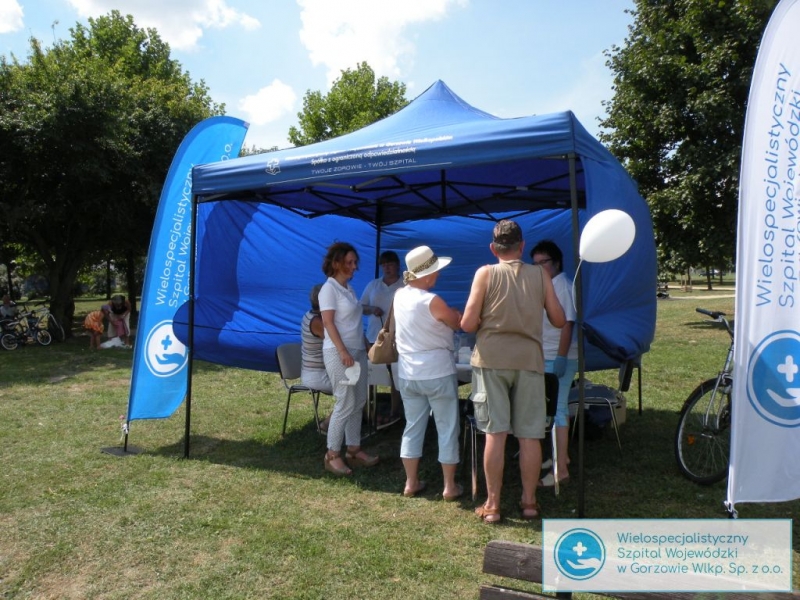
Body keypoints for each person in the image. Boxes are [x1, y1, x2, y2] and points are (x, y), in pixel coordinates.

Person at [461, 220, 565, 523]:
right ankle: (529, 502)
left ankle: (493, 505)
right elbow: (559, 319)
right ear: (521, 246)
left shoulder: (485, 273)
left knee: (495, 433)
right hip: (529, 361)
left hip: (491, 360)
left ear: (494, 248)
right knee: (530, 436)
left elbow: (467, 324)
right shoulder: (540, 274)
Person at [394, 245, 463, 500]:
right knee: (447, 427)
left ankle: (411, 482)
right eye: (434, 272)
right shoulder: (432, 301)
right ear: (426, 274)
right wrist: (455, 315)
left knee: (412, 427)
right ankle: (449, 486)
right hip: (437, 370)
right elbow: (456, 323)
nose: (437, 276)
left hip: (409, 372)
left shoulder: (399, 295)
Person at [319, 241, 379, 476]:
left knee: (359, 400)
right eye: (349, 263)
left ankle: (354, 449)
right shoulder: (329, 289)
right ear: (336, 264)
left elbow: (352, 322)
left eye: (355, 263)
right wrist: (343, 351)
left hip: (357, 352)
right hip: (338, 353)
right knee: (344, 402)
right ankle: (332, 454)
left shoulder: (349, 289)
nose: (354, 267)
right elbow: (328, 323)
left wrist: (364, 343)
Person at [530, 240, 578, 488]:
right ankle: (561, 457)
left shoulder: (562, 286)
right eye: (535, 263)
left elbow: (568, 324)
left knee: (557, 410)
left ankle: (561, 471)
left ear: (556, 263)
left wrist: (560, 356)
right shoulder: (547, 285)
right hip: (544, 355)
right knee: (549, 410)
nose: (539, 267)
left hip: (558, 357)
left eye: (544, 262)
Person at [361, 250, 405, 423]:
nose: (387, 268)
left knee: (395, 374)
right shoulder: (374, 284)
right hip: (374, 336)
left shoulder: (404, 285)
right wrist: (372, 309)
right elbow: (361, 307)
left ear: (397, 265)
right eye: (384, 265)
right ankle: (369, 409)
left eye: (390, 264)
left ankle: (395, 410)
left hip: (398, 337)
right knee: (371, 372)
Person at [301, 284, 333, 431]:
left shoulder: (309, 315)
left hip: (317, 372)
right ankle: (327, 424)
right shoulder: (318, 322)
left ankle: (362, 416)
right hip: (317, 375)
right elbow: (336, 342)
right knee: (353, 389)